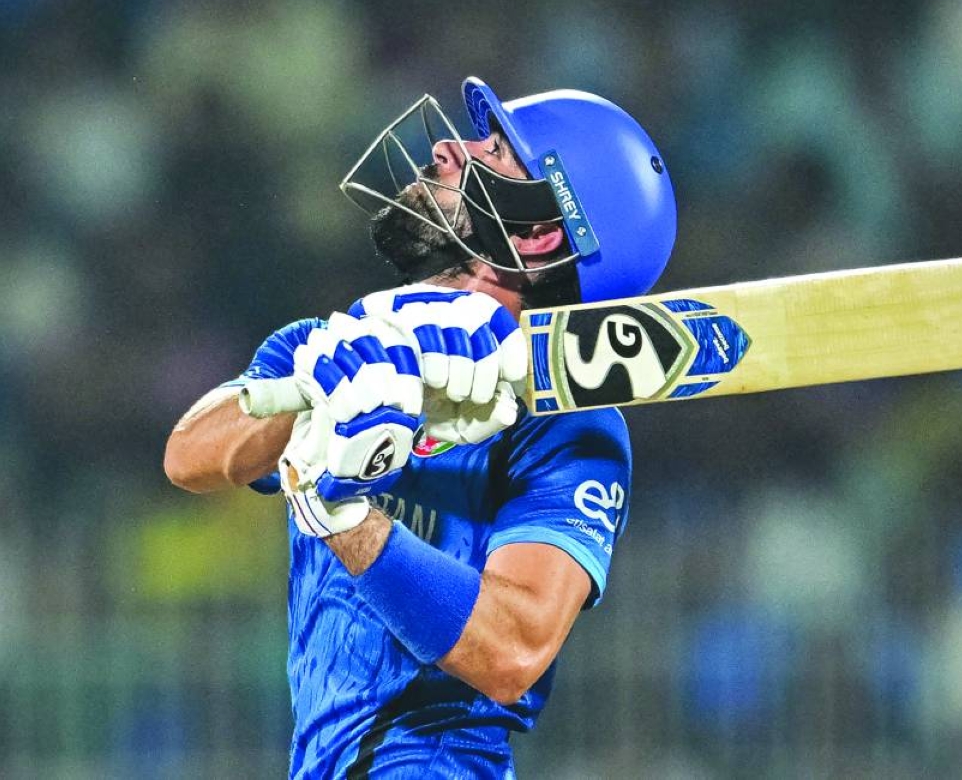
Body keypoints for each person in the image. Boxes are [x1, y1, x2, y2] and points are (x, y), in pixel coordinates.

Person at [163, 76, 676, 778]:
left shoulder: (569, 423)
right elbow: (190, 455)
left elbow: (513, 650)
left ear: (543, 231)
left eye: (493, 151)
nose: (446, 147)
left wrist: (344, 515)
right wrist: (314, 400)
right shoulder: (338, 342)